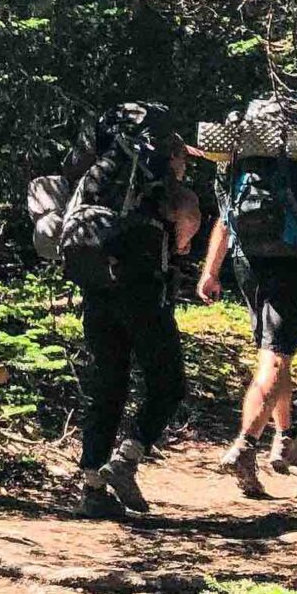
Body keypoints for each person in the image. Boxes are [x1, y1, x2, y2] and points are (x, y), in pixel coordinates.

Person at [197, 129, 297, 496]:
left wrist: (210, 271)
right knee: (275, 356)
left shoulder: (248, 158)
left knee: (275, 351)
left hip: (246, 261)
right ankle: (244, 445)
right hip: (296, 265)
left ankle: (286, 438)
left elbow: (225, 218)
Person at [58, 118, 203, 517]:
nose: (184, 167)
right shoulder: (165, 188)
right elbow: (186, 228)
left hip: (97, 287)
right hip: (141, 289)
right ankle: (127, 458)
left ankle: (91, 487)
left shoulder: (100, 179)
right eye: (183, 160)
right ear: (170, 154)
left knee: (107, 384)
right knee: (168, 382)